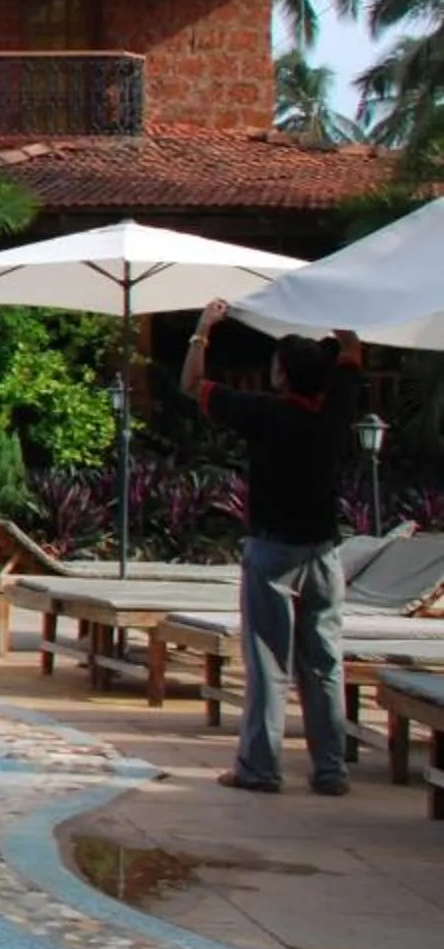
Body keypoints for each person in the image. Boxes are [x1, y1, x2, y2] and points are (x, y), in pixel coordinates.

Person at [180, 301, 366, 795]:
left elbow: (191, 385)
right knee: (324, 663)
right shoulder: (337, 410)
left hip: (273, 554)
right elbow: (351, 347)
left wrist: (202, 330)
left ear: (281, 375)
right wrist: (330, 297)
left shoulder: (263, 413)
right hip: (323, 554)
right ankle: (330, 770)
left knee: (269, 662)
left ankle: (260, 768)